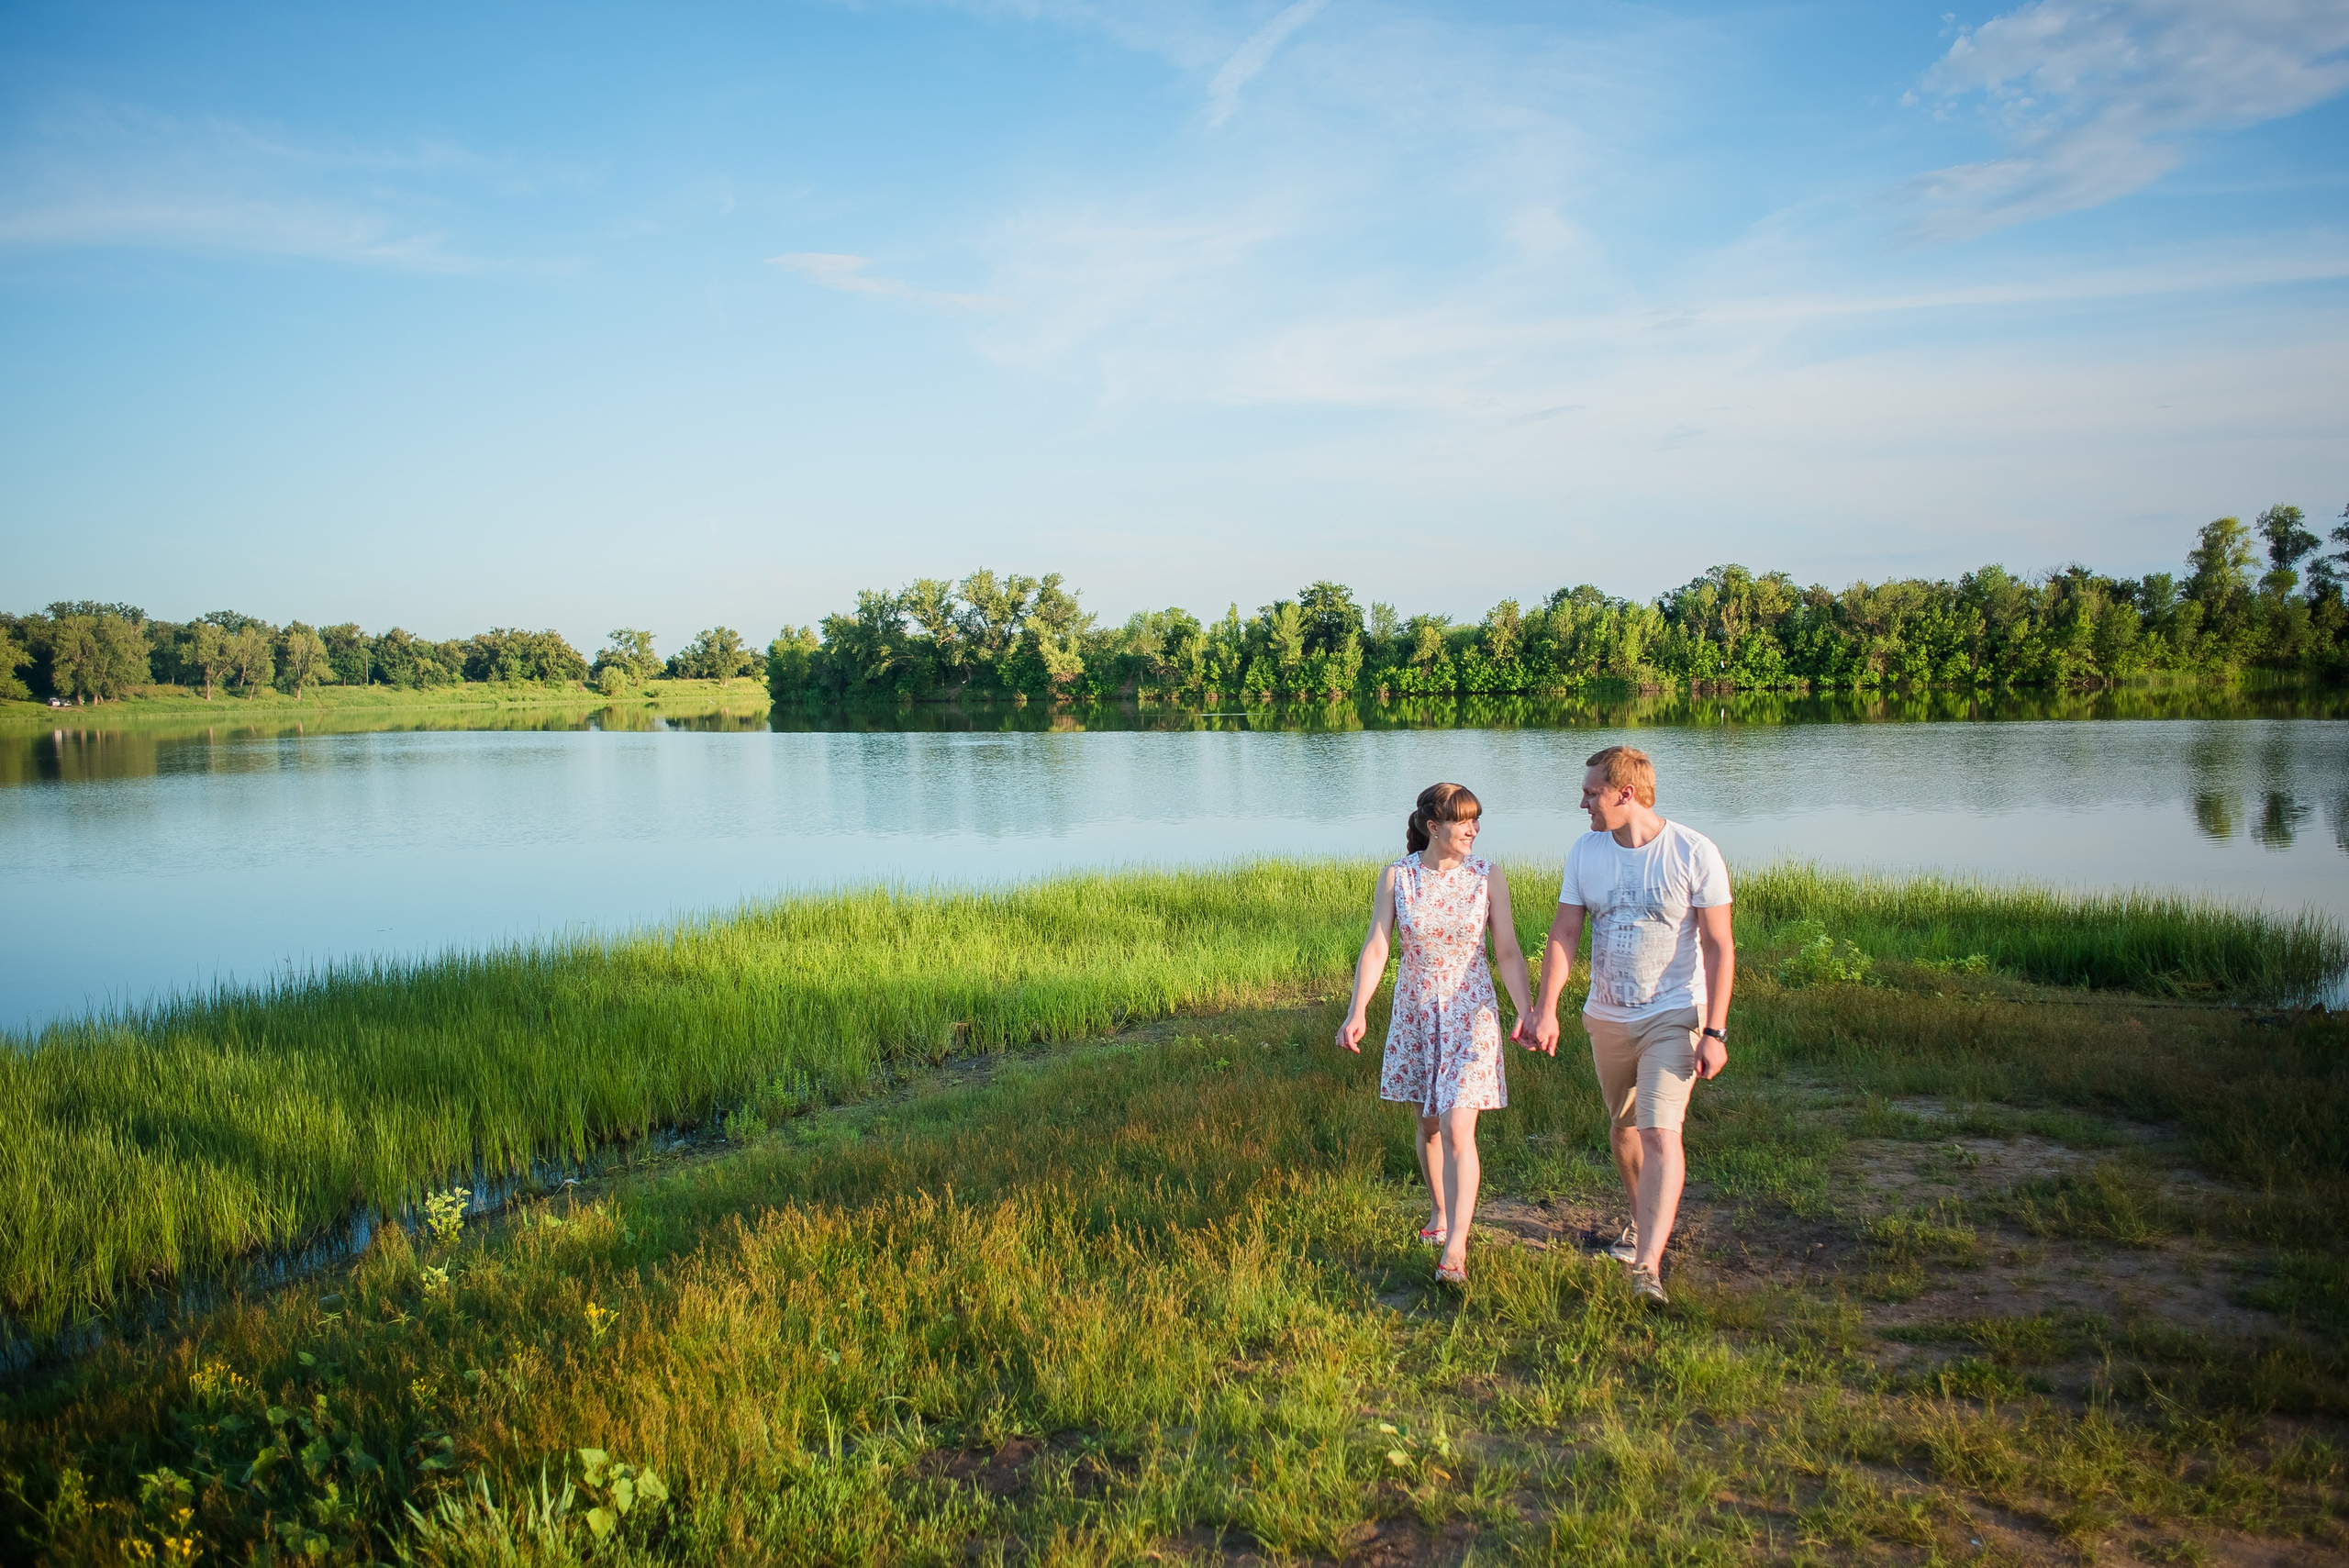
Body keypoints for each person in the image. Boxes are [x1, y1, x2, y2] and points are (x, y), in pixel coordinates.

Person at [1528, 745, 1733, 1306]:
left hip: (1674, 1014)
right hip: (1607, 1015)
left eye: (1591, 792)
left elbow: (1718, 946)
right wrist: (1547, 1008)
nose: (1582, 802)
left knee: (1661, 1129)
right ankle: (1643, 1224)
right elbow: (1565, 933)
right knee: (1623, 1128)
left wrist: (1714, 1031)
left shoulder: (1693, 851)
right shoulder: (1585, 851)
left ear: (1625, 793)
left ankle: (1647, 1268)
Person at [1337, 782, 1535, 1285]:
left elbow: (1508, 951)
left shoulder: (1488, 876)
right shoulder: (1397, 878)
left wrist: (1527, 1010)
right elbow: (1377, 948)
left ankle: (1455, 1249)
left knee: (1457, 1128)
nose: (1473, 830)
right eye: (1463, 821)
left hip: (1473, 1013)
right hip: (1416, 1011)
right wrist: (1357, 1009)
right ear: (1433, 827)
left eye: (1476, 820)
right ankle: (1440, 1211)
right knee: (1428, 1125)